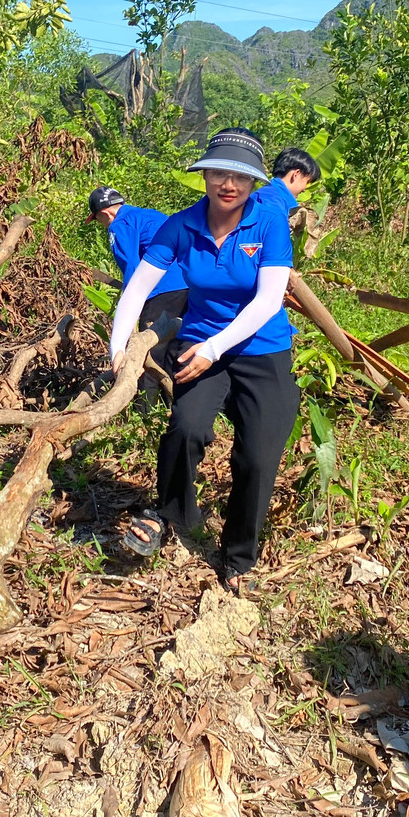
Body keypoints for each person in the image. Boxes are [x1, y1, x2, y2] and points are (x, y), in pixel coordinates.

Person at [108, 128, 300, 594]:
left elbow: (269, 299)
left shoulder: (268, 223)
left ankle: (238, 556)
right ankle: (171, 512)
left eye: (239, 175)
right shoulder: (181, 225)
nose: (227, 183)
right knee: (187, 428)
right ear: (205, 176)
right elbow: (136, 289)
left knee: (257, 456)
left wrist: (217, 347)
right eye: (218, 172)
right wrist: (119, 351)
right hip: (199, 345)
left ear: (254, 181)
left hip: (263, 350)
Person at [86, 185, 189, 404]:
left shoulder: (118, 225)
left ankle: (144, 412)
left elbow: (133, 271)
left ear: (105, 213)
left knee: (147, 351)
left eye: (98, 220)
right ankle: (173, 406)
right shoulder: (148, 214)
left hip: (162, 288)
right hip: (189, 285)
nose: (102, 225)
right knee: (174, 351)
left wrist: (129, 317)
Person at [254, 147, 321, 218]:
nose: (304, 189)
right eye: (307, 182)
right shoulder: (284, 207)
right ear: (296, 174)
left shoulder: (258, 195)